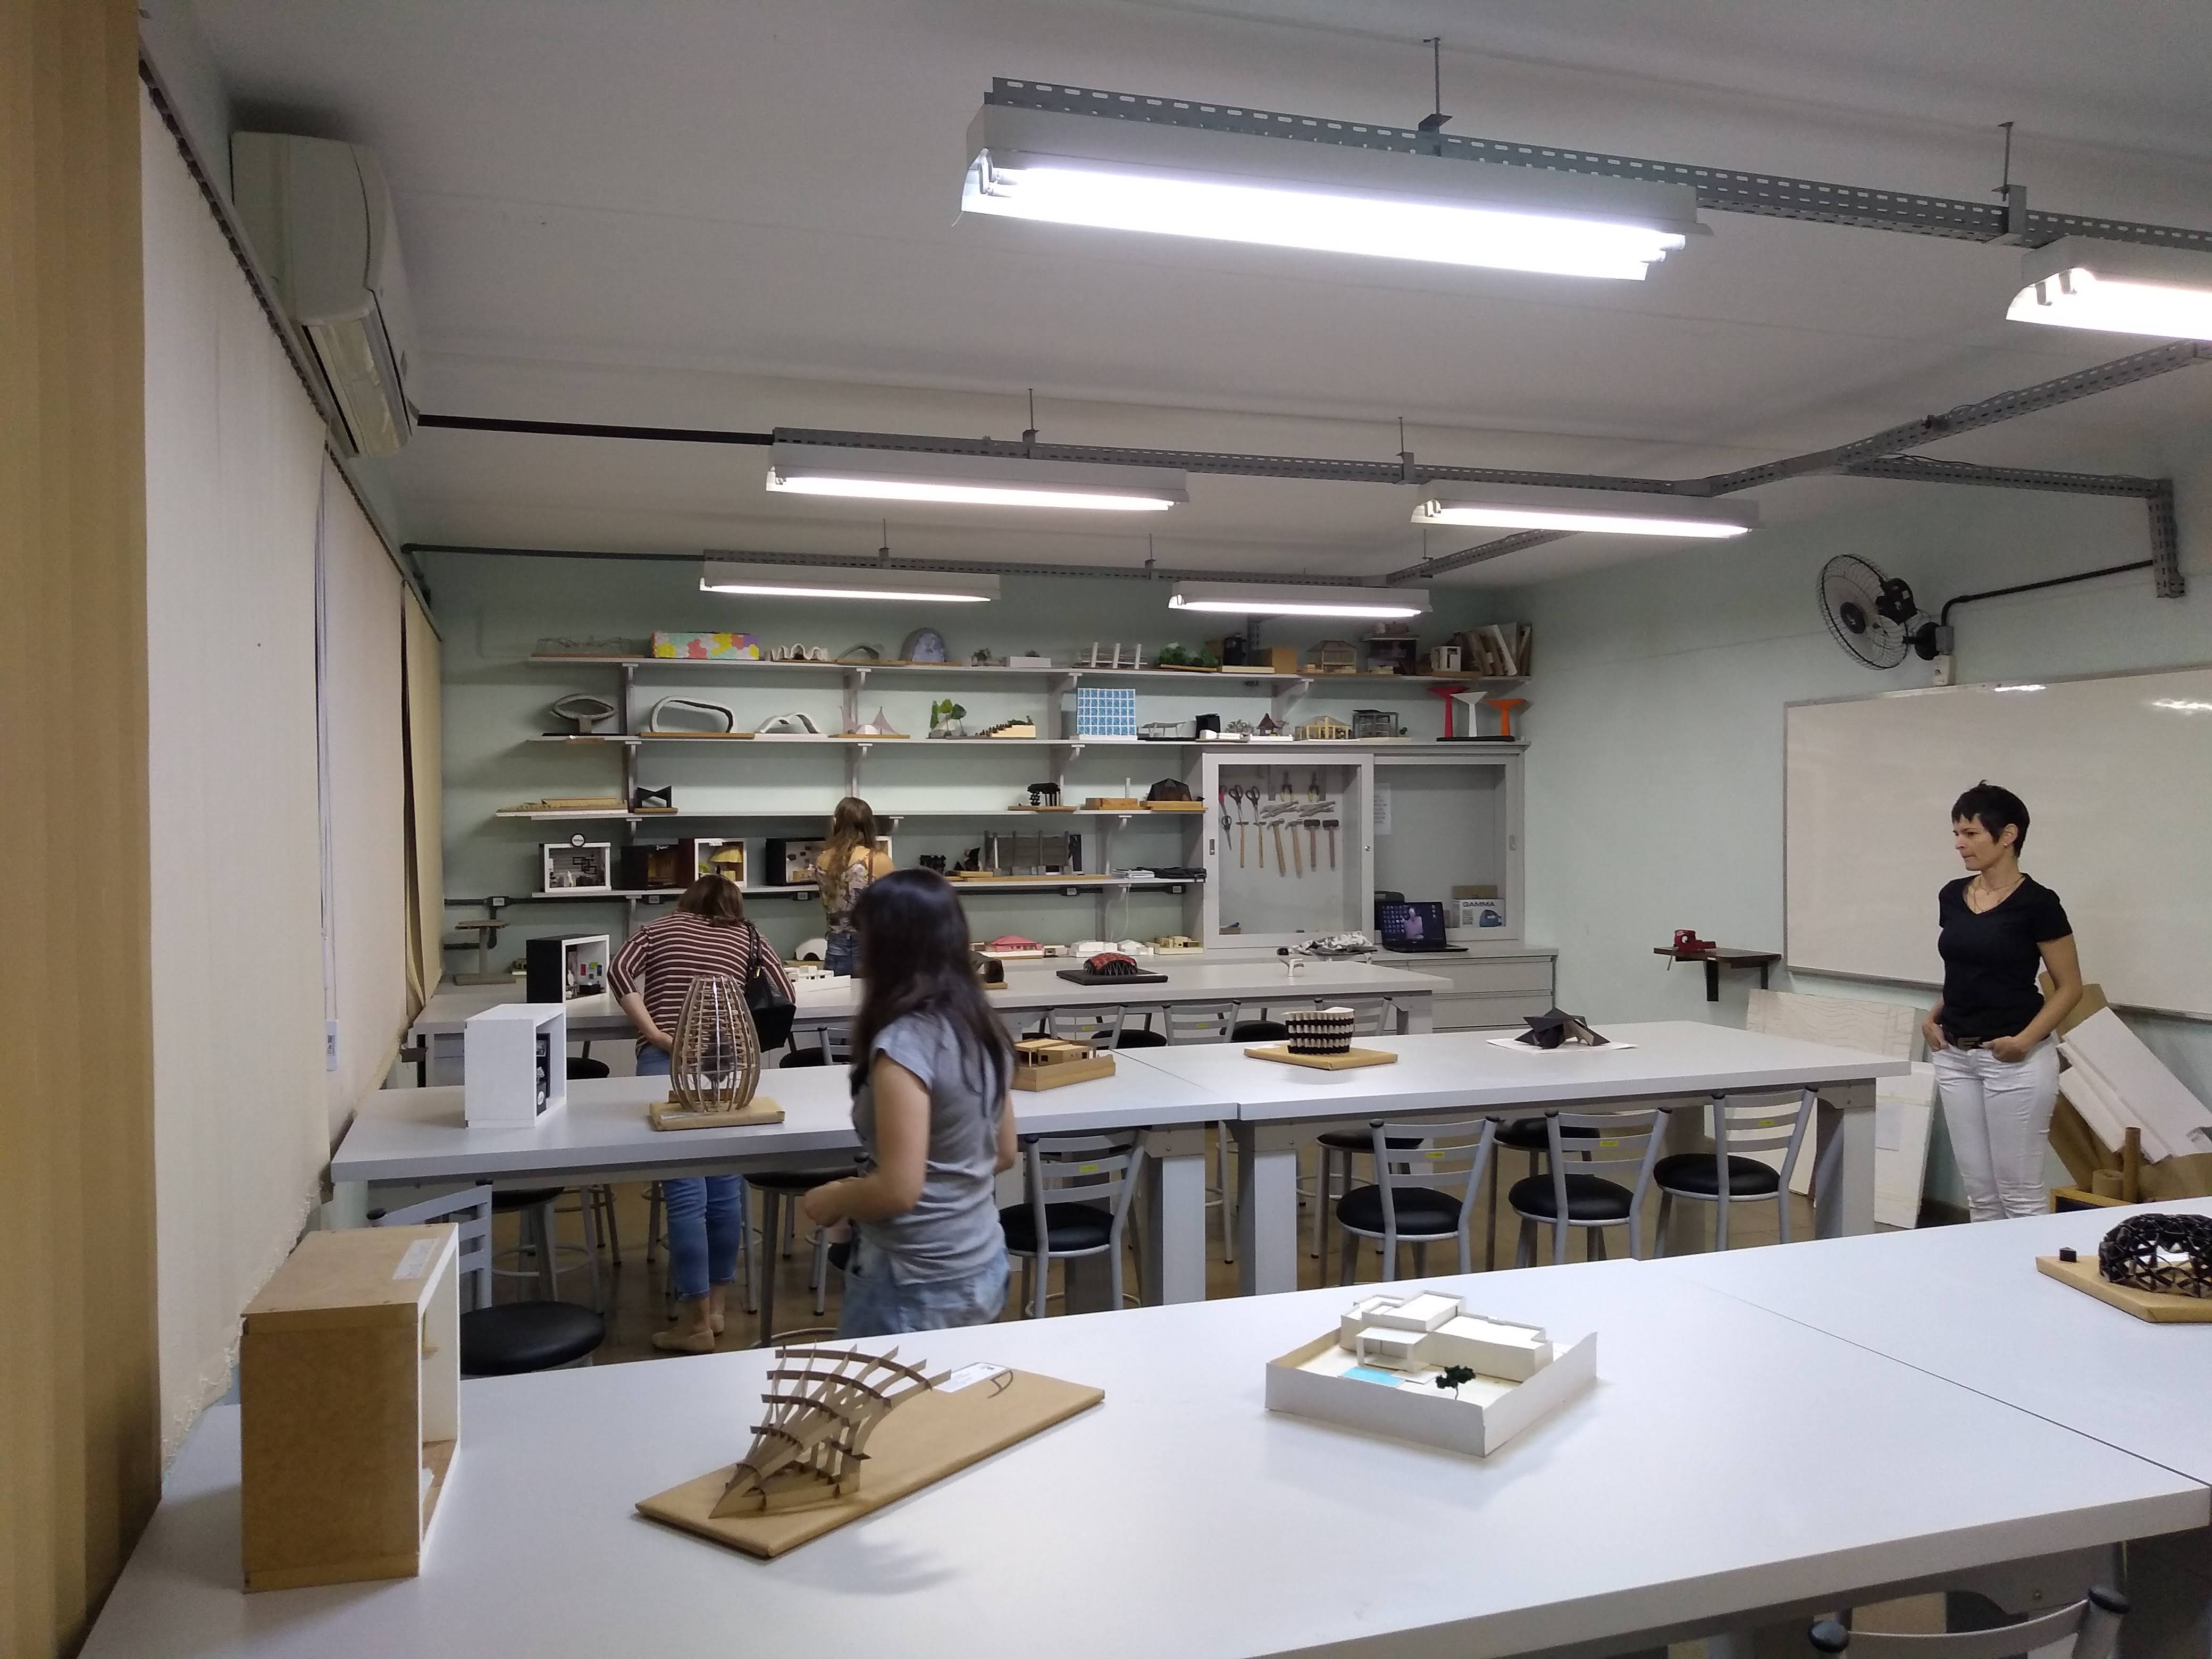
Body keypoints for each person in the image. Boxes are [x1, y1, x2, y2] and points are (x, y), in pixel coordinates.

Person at [801, 868, 1016, 1336]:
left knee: (882, 1388)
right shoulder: (982, 1029)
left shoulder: (905, 1046)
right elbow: (1003, 1152)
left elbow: (899, 1191)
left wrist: (837, 1196)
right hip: (982, 1260)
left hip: (913, 1280)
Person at [609, 873, 794, 1351]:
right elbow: (785, 992)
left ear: (687, 899)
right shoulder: (747, 935)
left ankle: (692, 1323)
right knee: (725, 1186)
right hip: (724, 1065)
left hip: (666, 1061)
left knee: (685, 1189)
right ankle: (716, 1310)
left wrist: (654, 1032)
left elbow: (619, 972)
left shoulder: (658, 930)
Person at [1923, 782, 2082, 1221]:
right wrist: (1934, 1016)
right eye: (1957, 833)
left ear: (2008, 835)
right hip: (1955, 1056)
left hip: (2014, 1060)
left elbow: (2070, 987)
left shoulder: (2038, 904)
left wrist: (2024, 1042)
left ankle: (2034, 1269)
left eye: (1971, 834)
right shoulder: (1952, 895)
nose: (1960, 844)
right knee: (1981, 1195)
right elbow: (1967, 969)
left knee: (2020, 1196)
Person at [814, 796, 892, 977]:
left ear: (836, 823)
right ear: (869, 825)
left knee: (836, 995)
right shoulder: (878, 860)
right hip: (870, 948)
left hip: (835, 946)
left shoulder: (823, 859)